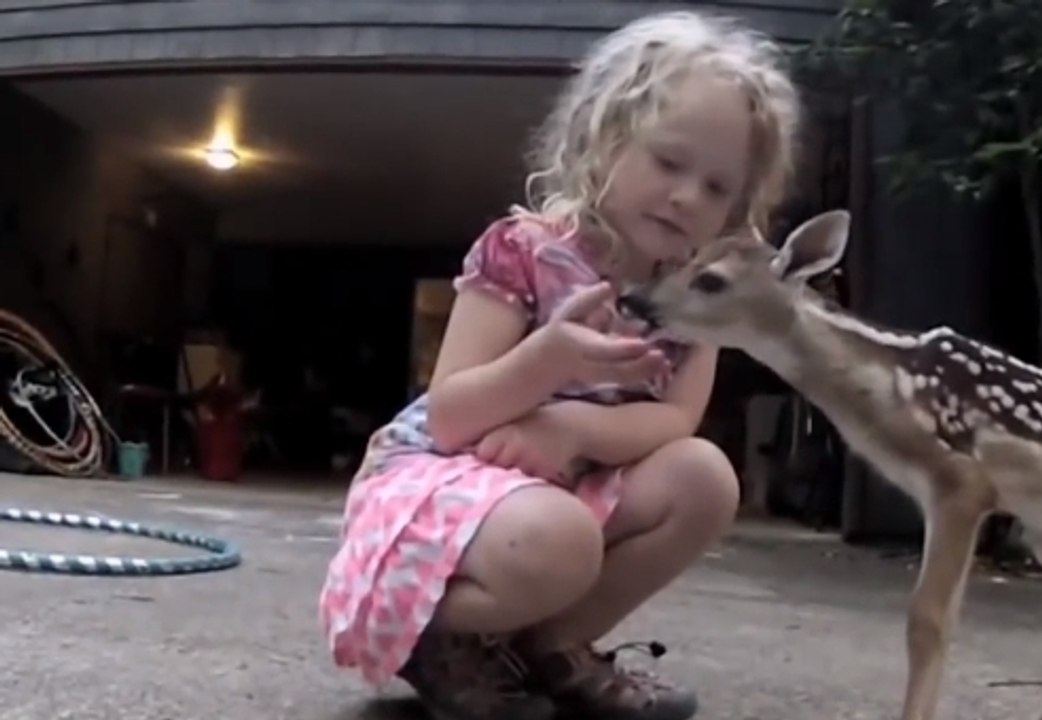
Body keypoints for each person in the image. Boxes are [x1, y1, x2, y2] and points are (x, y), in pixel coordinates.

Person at [318, 9, 803, 720]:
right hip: (446, 477)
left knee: (703, 477)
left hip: (566, 481)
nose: (686, 196)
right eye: (669, 162)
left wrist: (575, 432)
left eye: (716, 187)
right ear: (604, 139)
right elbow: (450, 413)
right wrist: (544, 364)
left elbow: (674, 420)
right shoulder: (525, 249)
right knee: (561, 541)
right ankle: (437, 636)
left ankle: (548, 649)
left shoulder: (696, 297)